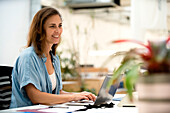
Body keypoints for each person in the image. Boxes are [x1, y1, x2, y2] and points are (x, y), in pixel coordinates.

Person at [10, 7, 96, 108]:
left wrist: (80, 95)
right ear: (39, 29)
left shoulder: (54, 58)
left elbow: (57, 93)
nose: (58, 31)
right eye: (52, 26)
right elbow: (35, 96)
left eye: (60, 26)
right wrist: (73, 97)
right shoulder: (28, 57)